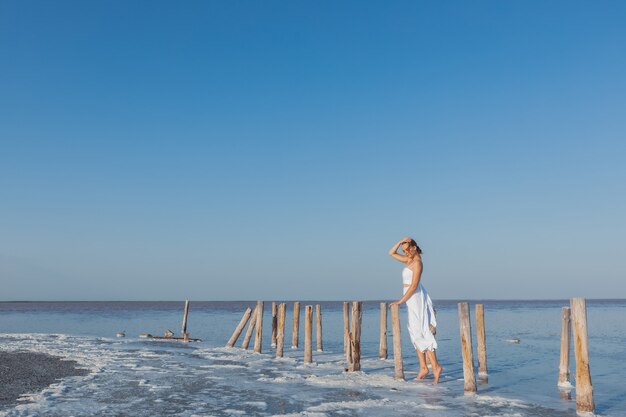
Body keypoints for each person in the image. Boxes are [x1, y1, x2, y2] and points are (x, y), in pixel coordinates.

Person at [389, 237, 442, 383]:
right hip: (410, 299)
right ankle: (424, 367)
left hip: (415, 298)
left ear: (413, 248)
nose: (405, 253)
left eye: (406, 250)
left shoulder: (417, 263)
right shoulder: (409, 261)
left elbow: (413, 286)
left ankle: (435, 367)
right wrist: (400, 241)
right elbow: (391, 253)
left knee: (422, 331)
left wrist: (400, 301)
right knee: (414, 332)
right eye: (403, 250)